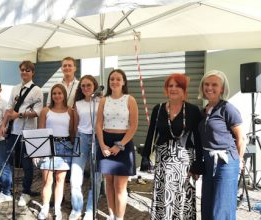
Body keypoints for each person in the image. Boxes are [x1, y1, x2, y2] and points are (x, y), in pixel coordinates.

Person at [140, 73, 203, 220]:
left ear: (184, 90)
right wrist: (145, 157)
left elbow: (198, 139)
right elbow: (151, 134)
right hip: (163, 160)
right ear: (166, 89)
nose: (173, 89)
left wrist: (198, 164)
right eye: (170, 86)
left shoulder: (193, 110)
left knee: (182, 197)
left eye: (178, 86)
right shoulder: (159, 109)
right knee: (163, 196)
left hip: (184, 161)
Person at [198, 70, 245, 220]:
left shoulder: (227, 109)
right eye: (206, 84)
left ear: (222, 89)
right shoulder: (204, 110)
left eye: (214, 85)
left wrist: (239, 160)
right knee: (207, 203)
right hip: (208, 160)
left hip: (226, 161)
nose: (209, 88)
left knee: (222, 207)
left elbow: (241, 138)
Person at [0, 61, 43, 205]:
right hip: (13, 131)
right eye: (22, 70)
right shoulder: (15, 88)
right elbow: (9, 109)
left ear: (32, 72)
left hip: (28, 132)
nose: (24, 72)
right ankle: (6, 191)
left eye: (27, 70)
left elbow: (37, 112)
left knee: (27, 164)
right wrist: (3, 124)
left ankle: (26, 192)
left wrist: (19, 115)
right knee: (8, 161)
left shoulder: (37, 90)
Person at [95, 69, 138, 220]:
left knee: (120, 186)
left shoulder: (130, 99)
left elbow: (133, 126)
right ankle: (111, 214)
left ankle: (119, 217)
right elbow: (98, 124)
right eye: (112, 79)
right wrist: (102, 145)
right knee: (109, 182)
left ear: (124, 82)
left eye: (118, 79)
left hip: (124, 143)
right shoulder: (103, 100)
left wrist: (119, 145)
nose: (114, 82)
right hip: (105, 141)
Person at [38, 84, 74, 220]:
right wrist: (39, 152)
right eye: (54, 93)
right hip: (48, 145)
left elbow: (72, 131)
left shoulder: (71, 111)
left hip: (65, 146)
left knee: (60, 180)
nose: (57, 95)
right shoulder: (45, 111)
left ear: (64, 95)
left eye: (60, 93)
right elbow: (41, 131)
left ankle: (57, 208)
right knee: (47, 180)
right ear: (51, 96)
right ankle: (45, 206)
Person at [69, 75, 102, 220]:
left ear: (94, 86)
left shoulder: (101, 101)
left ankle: (90, 210)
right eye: (83, 86)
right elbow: (76, 124)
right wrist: (73, 140)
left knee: (96, 177)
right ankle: (77, 209)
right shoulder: (78, 104)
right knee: (75, 176)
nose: (86, 88)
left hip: (97, 138)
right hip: (81, 137)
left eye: (88, 85)